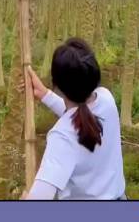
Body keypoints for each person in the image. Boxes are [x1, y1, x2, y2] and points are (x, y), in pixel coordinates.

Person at [22, 37, 126, 200]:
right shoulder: (107, 99)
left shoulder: (63, 136)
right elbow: (81, 113)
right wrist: (45, 94)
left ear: (57, 84)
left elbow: (40, 197)